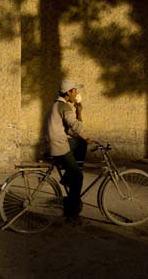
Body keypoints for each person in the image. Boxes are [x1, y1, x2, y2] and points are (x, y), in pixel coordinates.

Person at [45, 79, 91, 225]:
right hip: (59, 147)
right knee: (78, 177)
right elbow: (76, 127)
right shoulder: (65, 107)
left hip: (55, 143)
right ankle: (72, 215)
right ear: (69, 92)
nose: (77, 93)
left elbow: (70, 131)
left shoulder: (56, 105)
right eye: (75, 91)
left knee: (81, 144)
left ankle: (68, 175)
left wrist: (83, 138)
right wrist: (79, 111)